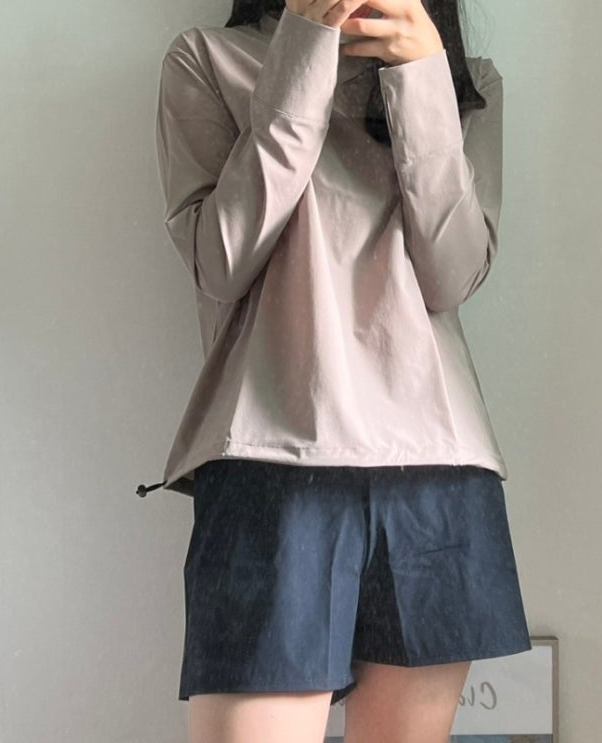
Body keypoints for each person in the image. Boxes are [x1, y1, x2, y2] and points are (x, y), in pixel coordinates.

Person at [141, 0, 532, 740]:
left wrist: (421, 77)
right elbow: (221, 262)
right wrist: (304, 48)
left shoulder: (467, 81)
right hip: (272, 460)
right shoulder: (206, 60)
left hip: (436, 474)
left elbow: (451, 273)